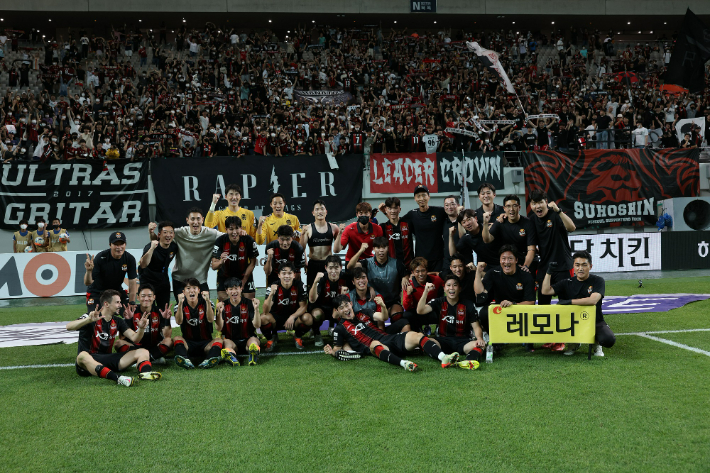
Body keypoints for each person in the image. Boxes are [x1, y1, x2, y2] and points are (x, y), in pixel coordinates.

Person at [323, 295, 459, 371]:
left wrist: (382, 306)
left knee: (417, 335)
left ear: (351, 304)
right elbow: (337, 349)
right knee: (374, 344)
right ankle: (404, 363)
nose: (346, 309)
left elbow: (382, 317)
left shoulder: (363, 312)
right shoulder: (340, 328)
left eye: (347, 305)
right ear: (337, 311)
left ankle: (443, 358)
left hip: (389, 338)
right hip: (375, 347)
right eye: (341, 308)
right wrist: (332, 352)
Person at [66, 289, 162, 386]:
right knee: (82, 355)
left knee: (143, 351)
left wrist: (141, 328)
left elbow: (135, 338)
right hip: (87, 363)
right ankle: (117, 378)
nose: (120, 305)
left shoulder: (118, 321)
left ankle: (146, 373)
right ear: (106, 304)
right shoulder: (91, 316)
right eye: (117, 302)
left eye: (120, 302)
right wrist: (88, 320)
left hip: (107, 359)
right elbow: (69, 327)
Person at [541, 251, 616, 357]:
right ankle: (574, 343)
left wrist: (570, 302)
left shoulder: (598, 280)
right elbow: (545, 291)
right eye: (577, 265)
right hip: (572, 322)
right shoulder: (566, 282)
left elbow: (593, 300)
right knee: (553, 323)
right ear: (573, 266)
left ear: (590, 266)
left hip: (594, 321)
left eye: (584, 265)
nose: (580, 268)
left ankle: (596, 343)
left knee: (608, 340)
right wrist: (548, 272)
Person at [474, 245, 537, 352]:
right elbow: (479, 293)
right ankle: (496, 341)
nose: (506, 262)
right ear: (499, 260)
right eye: (503, 258)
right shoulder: (493, 273)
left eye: (510, 258)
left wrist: (513, 305)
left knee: (531, 312)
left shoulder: (525, 275)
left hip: (520, 308)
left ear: (516, 260)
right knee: (484, 313)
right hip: (501, 309)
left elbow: (531, 302)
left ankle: (528, 341)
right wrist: (478, 272)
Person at [416, 274, 485, 369]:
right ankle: (443, 357)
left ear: (460, 288)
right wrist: (425, 291)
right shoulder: (438, 302)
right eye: (448, 285)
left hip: (463, 341)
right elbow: (420, 310)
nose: (451, 288)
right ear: (444, 288)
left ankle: (467, 361)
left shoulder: (468, 304)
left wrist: (479, 339)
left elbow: (476, 326)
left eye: (455, 285)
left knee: (480, 345)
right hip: (442, 340)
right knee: (425, 341)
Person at [154, 207, 221, 301]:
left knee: (207, 309)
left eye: (198, 219)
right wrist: (151, 233)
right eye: (192, 219)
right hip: (179, 279)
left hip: (200, 280)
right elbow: (160, 239)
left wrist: (242, 233)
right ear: (187, 220)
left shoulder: (211, 234)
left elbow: (228, 237)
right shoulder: (179, 233)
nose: (195, 222)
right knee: (182, 310)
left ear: (203, 219)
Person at [528, 189, 575, 306]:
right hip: (544, 267)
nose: (537, 206)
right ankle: (545, 324)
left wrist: (559, 211)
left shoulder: (555, 214)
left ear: (546, 202)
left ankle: (567, 324)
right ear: (531, 205)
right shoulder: (532, 220)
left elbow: (572, 228)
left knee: (565, 302)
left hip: (563, 266)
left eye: (540, 202)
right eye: (534, 203)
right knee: (543, 303)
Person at [348, 236, 408, 323]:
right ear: (373, 249)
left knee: (397, 315)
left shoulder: (397, 263)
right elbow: (350, 267)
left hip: (392, 301)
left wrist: (405, 278)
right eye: (378, 247)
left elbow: (406, 275)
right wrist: (361, 251)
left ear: (388, 248)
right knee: (375, 321)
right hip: (374, 301)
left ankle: (394, 334)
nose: (381, 250)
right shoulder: (367, 262)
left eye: (384, 247)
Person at [261, 262, 314, 351]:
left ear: (294, 275)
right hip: (276, 319)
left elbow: (304, 306)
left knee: (308, 318)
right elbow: (265, 311)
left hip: (293, 320)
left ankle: (297, 337)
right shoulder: (272, 286)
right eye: (284, 273)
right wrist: (271, 295)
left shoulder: (300, 285)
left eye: (289, 273)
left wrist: (292, 317)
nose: (287, 276)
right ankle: (271, 339)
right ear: (279, 275)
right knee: (262, 318)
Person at [172, 278, 223, 369]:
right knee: (176, 338)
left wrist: (207, 301)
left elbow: (211, 319)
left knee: (219, 341)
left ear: (199, 290)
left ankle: (208, 360)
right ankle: (185, 359)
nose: (191, 291)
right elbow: (178, 321)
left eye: (194, 288)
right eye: (188, 288)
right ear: (184, 292)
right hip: (188, 343)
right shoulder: (179, 305)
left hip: (206, 344)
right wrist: (180, 304)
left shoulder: (207, 302)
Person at [86, 232, 137, 315]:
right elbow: (88, 282)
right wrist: (88, 271)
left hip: (116, 291)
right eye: (116, 244)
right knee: (94, 317)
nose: (119, 247)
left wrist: (132, 302)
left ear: (125, 245)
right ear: (110, 245)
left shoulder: (129, 259)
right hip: (97, 292)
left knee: (129, 314)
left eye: (121, 244)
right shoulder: (101, 257)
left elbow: (132, 283)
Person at [482, 195, 537, 271]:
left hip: (524, 262)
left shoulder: (528, 223)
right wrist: (485, 223)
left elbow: (531, 249)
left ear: (519, 207)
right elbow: (486, 240)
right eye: (508, 206)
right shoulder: (500, 222)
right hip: (507, 264)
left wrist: (526, 266)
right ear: (504, 208)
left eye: (514, 206)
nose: (511, 209)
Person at [122, 283, 173, 363]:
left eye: (149, 296)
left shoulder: (160, 312)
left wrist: (167, 320)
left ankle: (146, 359)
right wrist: (128, 320)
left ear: (154, 297)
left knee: (169, 341)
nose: (146, 299)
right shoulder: (132, 312)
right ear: (138, 297)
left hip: (154, 347)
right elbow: (122, 338)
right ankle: (151, 358)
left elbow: (167, 336)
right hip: (136, 348)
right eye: (143, 296)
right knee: (118, 343)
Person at [215, 278, 262, 366]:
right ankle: (231, 356)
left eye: (236, 288)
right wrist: (219, 312)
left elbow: (257, 325)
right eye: (231, 289)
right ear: (227, 291)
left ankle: (253, 352)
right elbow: (218, 328)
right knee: (226, 343)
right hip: (232, 340)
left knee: (253, 342)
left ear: (241, 289)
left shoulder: (249, 303)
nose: (234, 291)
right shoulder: (223, 306)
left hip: (248, 338)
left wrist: (256, 309)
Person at [211, 216, 259, 301]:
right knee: (223, 302)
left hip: (244, 275)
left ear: (241, 228)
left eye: (237, 228)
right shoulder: (220, 241)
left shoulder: (248, 240)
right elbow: (214, 266)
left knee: (250, 302)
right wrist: (221, 262)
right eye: (231, 229)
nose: (234, 232)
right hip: (224, 276)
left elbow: (252, 263)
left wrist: (243, 282)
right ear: (226, 229)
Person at [402, 185, 448, 271]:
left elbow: (452, 213)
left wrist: (459, 209)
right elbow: (397, 222)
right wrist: (385, 213)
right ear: (415, 199)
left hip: (438, 258)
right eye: (418, 196)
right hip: (420, 260)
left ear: (429, 196)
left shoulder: (439, 211)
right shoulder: (412, 214)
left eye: (424, 195)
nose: (421, 198)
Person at [308, 254, 350, 346]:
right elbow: (311, 300)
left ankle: (343, 333)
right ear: (326, 268)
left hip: (337, 309)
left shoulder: (346, 278)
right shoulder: (322, 278)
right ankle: (316, 333)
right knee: (316, 314)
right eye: (331, 268)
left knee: (349, 310)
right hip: (322, 308)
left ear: (341, 267)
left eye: (336, 267)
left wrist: (345, 296)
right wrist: (315, 282)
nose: (333, 271)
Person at [300, 199, 342, 288]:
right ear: (313, 212)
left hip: (328, 264)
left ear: (326, 212)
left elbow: (337, 250)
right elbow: (302, 247)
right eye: (317, 209)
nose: (320, 211)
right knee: (312, 290)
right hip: (313, 264)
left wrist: (341, 233)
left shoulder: (334, 228)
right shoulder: (308, 228)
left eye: (322, 209)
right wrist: (303, 235)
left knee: (329, 289)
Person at [402, 257, 444, 333]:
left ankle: (441, 329)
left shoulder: (436, 280)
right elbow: (406, 307)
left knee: (444, 309)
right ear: (413, 273)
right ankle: (417, 330)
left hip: (432, 310)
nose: (420, 274)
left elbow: (449, 284)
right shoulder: (409, 285)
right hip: (417, 312)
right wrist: (408, 294)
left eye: (423, 271)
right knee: (407, 315)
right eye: (417, 271)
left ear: (427, 271)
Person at [141, 221, 177, 309]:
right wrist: (151, 249)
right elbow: (143, 265)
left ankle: (165, 323)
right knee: (148, 310)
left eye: (171, 232)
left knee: (164, 309)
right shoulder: (150, 247)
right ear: (159, 235)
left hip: (163, 280)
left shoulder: (173, 247)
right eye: (165, 232)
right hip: (148, 280)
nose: (168, 235)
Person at [378, 196, 414, 268]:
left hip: (409, 267)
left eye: (395, 208)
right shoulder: (383, 227)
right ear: (386, 210)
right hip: (392, 268)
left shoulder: (408, 223)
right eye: (390, 208)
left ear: (399, 209)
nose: (393, 211)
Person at [442, 195, 461, 268]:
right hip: (447, 262)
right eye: (447, 205)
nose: (449, 207)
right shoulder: (442, 223)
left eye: (452, 204)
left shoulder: (465, 222)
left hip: (463, 261)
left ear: (458, 205)